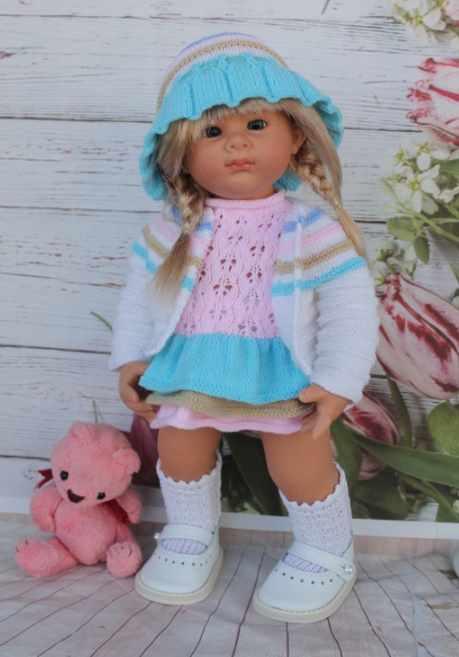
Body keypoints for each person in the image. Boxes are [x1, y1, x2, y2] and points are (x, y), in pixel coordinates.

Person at [109, 32, 380, 623]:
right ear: (180, 153)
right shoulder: (169, 231)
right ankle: (190, 533)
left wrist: (340, 379)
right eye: (212, 131)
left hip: (280, 366)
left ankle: (326, 547)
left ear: (296, 135)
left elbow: (351, 308)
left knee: (298, 458)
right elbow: (139, 298)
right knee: (180, 450)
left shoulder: (312, 230)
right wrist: (130, 358)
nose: (236, 142)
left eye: (256, 125)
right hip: (192, 364)